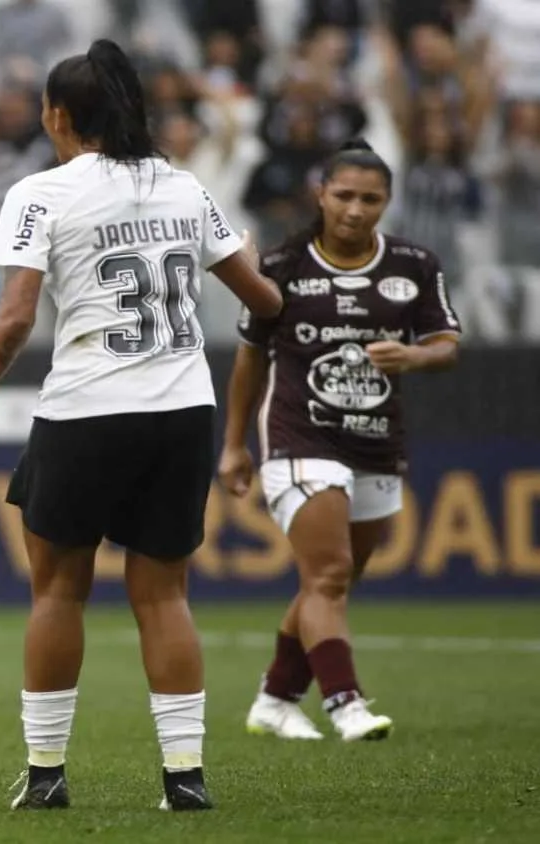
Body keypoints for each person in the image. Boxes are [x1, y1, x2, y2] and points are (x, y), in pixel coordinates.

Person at [0, 39, 283, 812]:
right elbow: (265, 304)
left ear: (57, 115)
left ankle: (46, 776)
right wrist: (250, 255)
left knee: (57, 593)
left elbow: (12, 321)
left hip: (86, 409)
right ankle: (185, 779)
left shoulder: (41, 193)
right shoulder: (185, 188)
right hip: (182, 412)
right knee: (164, 596)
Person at [219, 139, 461, 742]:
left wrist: (414, 355)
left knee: (333, 580)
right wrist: (233, 444)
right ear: (320, 195)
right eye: (344, 195)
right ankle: (345, 702)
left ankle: (275, 699)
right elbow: (250, 359)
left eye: (371, 199)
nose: (355, 209)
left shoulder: (415, 265)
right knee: (327, 575)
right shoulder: (280, 267)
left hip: (376, 441)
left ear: (387, 202)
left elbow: (447, 345)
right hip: (300, 436)